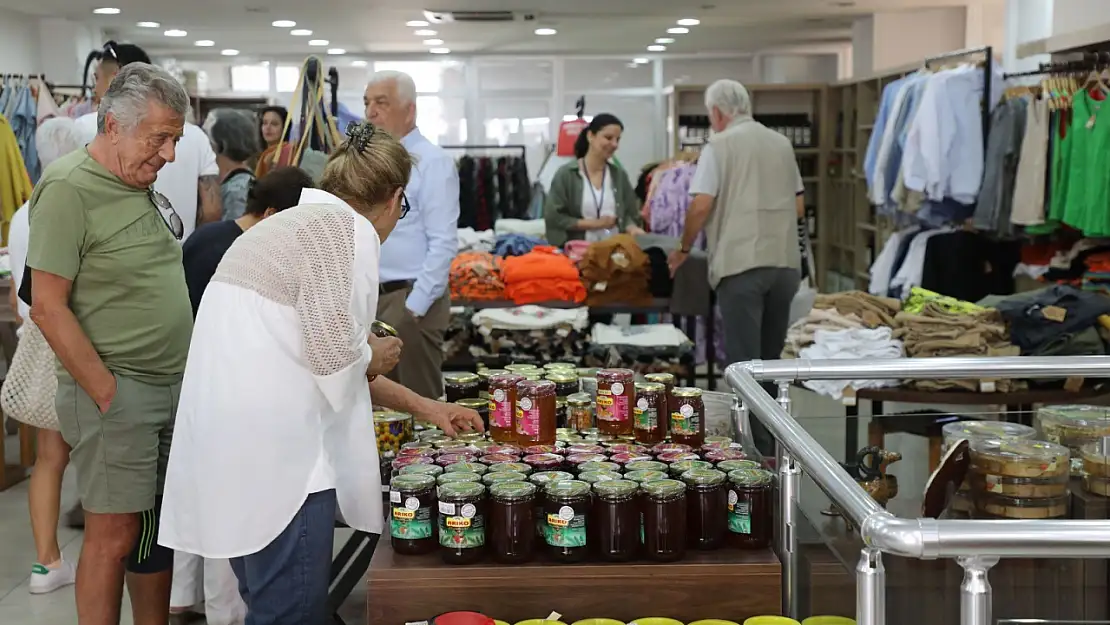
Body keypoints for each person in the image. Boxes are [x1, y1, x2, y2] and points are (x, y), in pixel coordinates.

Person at [26, 63, 194, 625]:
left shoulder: (140, 182)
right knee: (113, 534)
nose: (169, 155)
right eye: (160, 138)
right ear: (110, 124)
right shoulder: (70, 188)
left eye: (176, 139)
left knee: (155, 533)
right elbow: (48, 305)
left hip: (171, 390)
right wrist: (106, 392)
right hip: (118, 393)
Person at [168, 165, 314, 625]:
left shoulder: (204, 237)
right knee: (231, 526)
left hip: (193, 376)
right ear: (272, 213)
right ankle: (225, 615)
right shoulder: (249, 250)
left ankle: (181, 599)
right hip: (231, 386)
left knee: (201, 509)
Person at [667, 79, 804, 454]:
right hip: (784, 264)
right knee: (772, 361)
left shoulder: (719, 145)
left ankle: (752, 454)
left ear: (716, 113)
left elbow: (700, 204)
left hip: (741, 264)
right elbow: (798, 206)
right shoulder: (781, 143)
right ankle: (776, 442)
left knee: (744, 363)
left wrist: (682, 248)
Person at [7, 117, 82, 595]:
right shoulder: (73, 205)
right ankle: (102, 553)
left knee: (50, 460)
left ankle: (45, 561)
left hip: (31, 338)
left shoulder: (21, 213)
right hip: (69, 340)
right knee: (97, 458)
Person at [364, 70, 459, 399]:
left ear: (409, 110)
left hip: (411, 299)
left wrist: (414, 309)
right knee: (379, 407)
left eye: (381, 102)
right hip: (372, 298)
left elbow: (443, 242)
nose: (370, 111)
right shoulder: (370, 163)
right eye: (367, 103)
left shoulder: (432, 163)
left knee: (419, 405)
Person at [75, 41, 222, 239]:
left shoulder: (87, 127)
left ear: (116, 78)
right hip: (181, 259)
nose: (94, 88)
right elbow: (212, 211)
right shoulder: (196, 135)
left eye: (97, 78)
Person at [544, 113, 644, 246]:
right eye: (608, 138)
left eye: (617, 139)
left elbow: (629, 214)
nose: (614, 144)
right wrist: (596, 224)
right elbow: (555, 217)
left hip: (614, 253)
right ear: (590, 136)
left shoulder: (619, 175)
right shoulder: (566, 175)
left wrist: (632, 228)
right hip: (578, 253)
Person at [202, 108, 261, 221]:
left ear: (221, 141)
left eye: (206, 134)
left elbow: (234, 234)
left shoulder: (238, 188)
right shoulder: (228, 180)